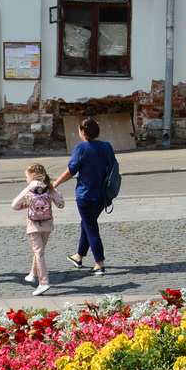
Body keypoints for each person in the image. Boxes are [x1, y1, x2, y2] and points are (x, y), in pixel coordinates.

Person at [55, 118, 115, 276]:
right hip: (103, 195)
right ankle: (78, 256)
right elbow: (113, 167)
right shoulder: (107, 147)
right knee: (87, 224)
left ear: (83, 132)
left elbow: (70, 171)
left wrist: (56, 183)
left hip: (86, 195)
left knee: (91, 228)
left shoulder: (81, 148)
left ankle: (99, 264)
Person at [10, 162, 64, 294]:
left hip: (33, 226)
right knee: (39, 251)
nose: (26, 179)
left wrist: (27, 205)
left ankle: (43, 282)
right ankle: (33, 274)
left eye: (27, 177)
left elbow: (14, 205)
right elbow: (61, 204)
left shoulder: (28, 190)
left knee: (38, 253)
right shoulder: (49, 188)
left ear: (32, 176)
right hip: (47, 225)